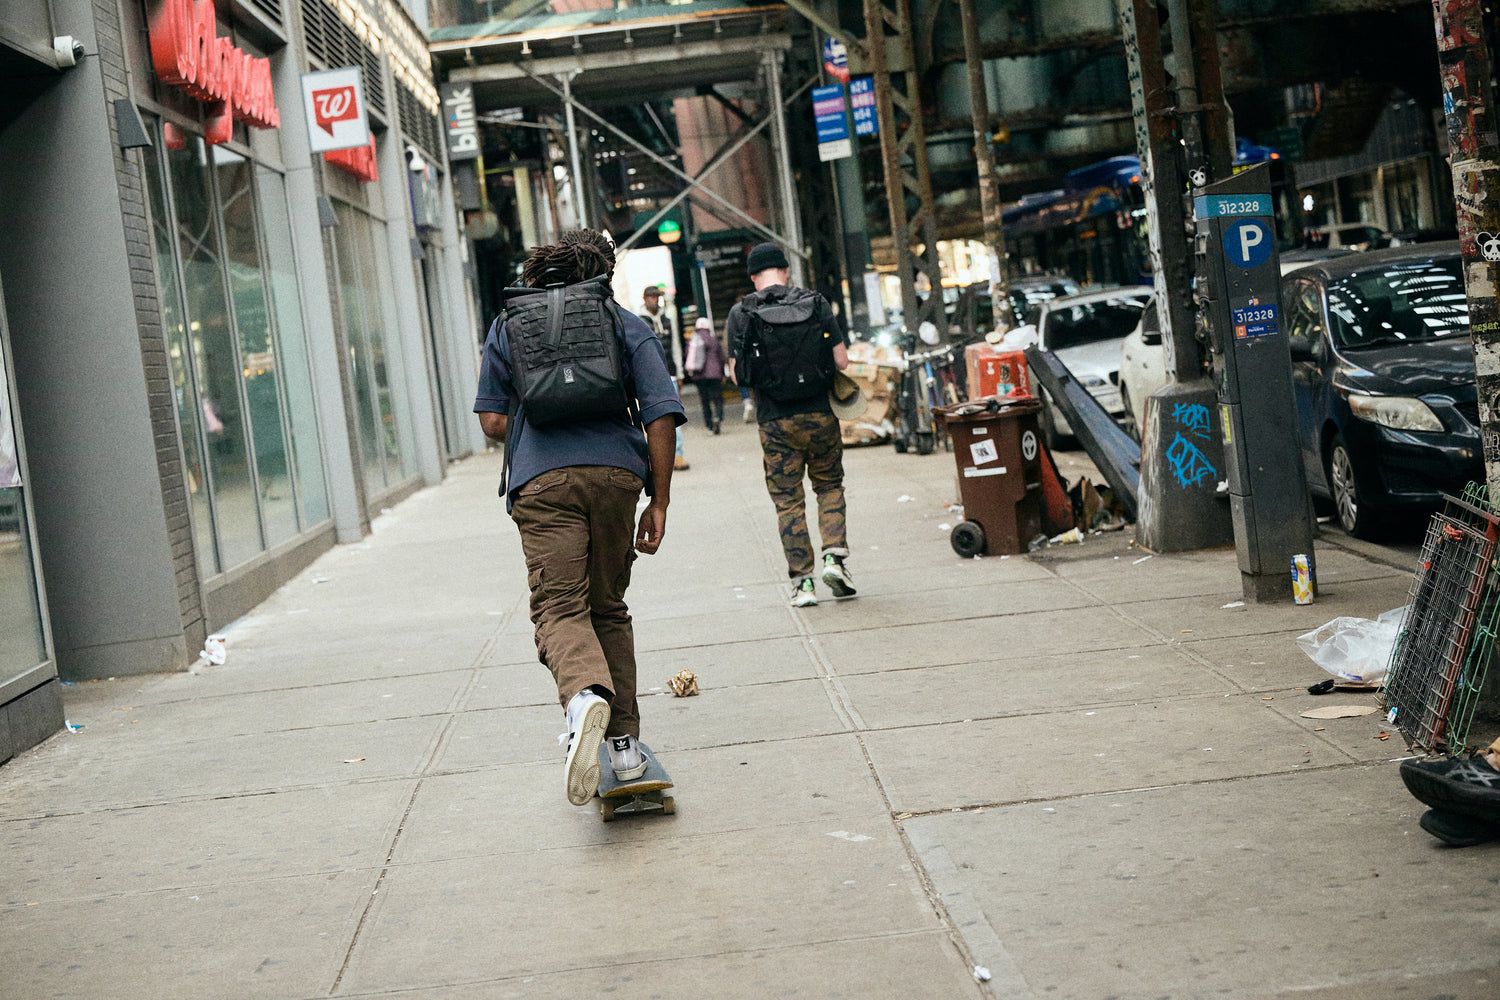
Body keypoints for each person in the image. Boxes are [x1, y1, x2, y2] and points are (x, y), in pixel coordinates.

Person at [474, 230, 686, 807]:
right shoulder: (623, 323)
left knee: (561, 607)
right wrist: (658, 500)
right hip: (617, 478)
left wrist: (538, 401)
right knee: (608, 608)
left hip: (542, 483)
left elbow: (492, 422)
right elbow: (661, 413)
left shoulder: (509, 325)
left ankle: (583, 697)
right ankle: (624, 749)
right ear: (603, 274)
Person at [727, 242, 856, 608]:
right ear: (786, 271)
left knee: (788, 502)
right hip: (820, 414)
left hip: (774, 420)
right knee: (829, 485)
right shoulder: (816, 303)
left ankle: (803, 584)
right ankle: (835, 557)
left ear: (754, 277)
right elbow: (842, 361)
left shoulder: (742, 312)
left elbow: (738, 376)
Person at [640, 285, 689, 470]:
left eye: (657, 297)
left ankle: (677, 454)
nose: (655, 300)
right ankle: (655, 457)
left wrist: (680, 373)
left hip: (670, 374)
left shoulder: (668, 320)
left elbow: (675, 345)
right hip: (649, 377)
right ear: (645, 299)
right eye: (652, 297)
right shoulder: (639, 321)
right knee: (651, 419)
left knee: (675, 417)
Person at [685, 316, 727, 434]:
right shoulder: (713, 339)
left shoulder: (693, 340)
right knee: (717, 398)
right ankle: (717, 417)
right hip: (715, 374)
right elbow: (721, 358)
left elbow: (687, 354)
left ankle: (709, 425)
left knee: (705, 400)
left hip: (699, 375)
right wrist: (723, 374)